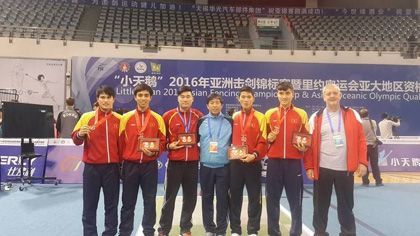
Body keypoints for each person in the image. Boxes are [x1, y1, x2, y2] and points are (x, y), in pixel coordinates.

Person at [304, 84, 368, 236]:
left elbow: (361, 140)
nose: (332, 96)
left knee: (346, 205)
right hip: (322, 168)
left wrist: (363, 162)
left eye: (335, 93)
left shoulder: (352, 114)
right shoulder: (316, 117)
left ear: (340, 96)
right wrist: (309, 166)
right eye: (328, 94)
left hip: (345, 169)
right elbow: (309, 145)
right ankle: (319, 232)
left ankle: (348, 233)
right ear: (323, 97)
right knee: (320, 205)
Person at [71, 85, 122, 236]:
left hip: (112, 169)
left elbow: (123, 145)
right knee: (89, 206)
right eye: (102, 97)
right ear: (98, 99)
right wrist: (80, 134)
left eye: (108, 97)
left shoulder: (120, 119)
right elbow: (75, 140)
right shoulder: (86, 117)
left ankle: (110, 233)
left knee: (111, 206)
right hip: (91, 168)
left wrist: (121, 167)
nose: (105, 100)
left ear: (113, 99)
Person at [118, 83, 166, 236]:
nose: (143, 98)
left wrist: (154, 153)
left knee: (150, 201)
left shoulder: (158, 119)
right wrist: (120, 166)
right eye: (140, 95)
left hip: (149, 166)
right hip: (130, 165)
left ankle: (149, 231)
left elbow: (163, 142)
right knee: (127, 202)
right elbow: (119, 143)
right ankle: (125, 231)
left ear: (151, 98)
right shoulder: (125, 118)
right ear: (135, 97)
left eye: (146, 95)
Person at [265, 81, 309, 236]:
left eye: (287, 93)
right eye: (281, 93)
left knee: (296, 202)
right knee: (272, 201)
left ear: (293, 94)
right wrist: (269, 139)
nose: (284, 96)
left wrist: (304, 147)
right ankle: (274, 232)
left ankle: (295, 233)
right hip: (274, 163)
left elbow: (306, 138)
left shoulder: (301, 114)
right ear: (277, 94)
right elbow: (265, 140)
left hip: (293, 163)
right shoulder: (269, 114)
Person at [158, 86, 204, 236]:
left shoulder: (199, 116)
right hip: (175, 163)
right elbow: (161, 139)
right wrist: (168, 146)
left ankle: (185, 229)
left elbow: (204, 137)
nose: (185, 99)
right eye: (182, 96)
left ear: (192, 99)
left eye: (188, 96)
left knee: (190, 198)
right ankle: (164, 229)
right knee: (169, 197)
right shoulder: (168, 116)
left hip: (192, 163)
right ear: (178, 98)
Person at [229, 86, 268, 236]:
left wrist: (255, 154)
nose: (246, 99)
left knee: (254, 197)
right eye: (243, 97)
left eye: (248, 97)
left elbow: (263, 141)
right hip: (236, 164)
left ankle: (253, 230)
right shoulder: (234, 117)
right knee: (235, 197)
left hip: (253, 162)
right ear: (238, 98)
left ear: (253, 98)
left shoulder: (261, 117)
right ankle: (235, 230)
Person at [197, 93, 233, 236]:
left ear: (222, 105)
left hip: (224, 167)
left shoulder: (230, 121)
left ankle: (221, 229)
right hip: (206, 167)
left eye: (217, 102)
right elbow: (195, 141)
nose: (215, 105)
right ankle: (209, 228)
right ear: (207, 105)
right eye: (211, 103)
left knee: (223, 199)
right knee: (206, 198)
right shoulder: (201, 121)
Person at [359, 109, 383, 187]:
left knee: (364, 165)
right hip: (373, 146)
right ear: (368, 114)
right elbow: (375, 132)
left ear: (360, 115)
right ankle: (378, 181)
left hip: (363, 147)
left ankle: (365, 181)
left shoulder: (359, 123)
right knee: (374, 164)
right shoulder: (373, 122)